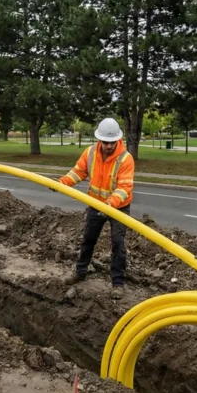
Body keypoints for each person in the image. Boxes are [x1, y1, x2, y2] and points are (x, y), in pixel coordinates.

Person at [56, 118, 134, 299]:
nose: (108, 146)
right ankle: (80, 271)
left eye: (111, 143)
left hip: (118, 208)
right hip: (95, 204)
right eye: (105, 142)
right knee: (88, 239)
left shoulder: (125, 158)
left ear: (118, 140)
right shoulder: (90, 152)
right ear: (99, 139)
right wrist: (62, 183)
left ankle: (117, 283)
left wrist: (110, 204)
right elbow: (78, 172)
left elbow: (124, 187)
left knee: (118, 244)